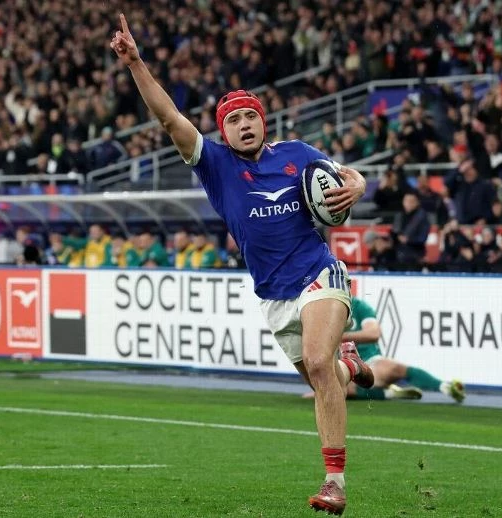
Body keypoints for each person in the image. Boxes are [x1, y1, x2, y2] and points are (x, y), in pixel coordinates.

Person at [112, 14, 372, 515]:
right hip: (274, 295)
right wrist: (136, 63)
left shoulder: (297, 154)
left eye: (251, 116)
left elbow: (347, 175)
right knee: (326, 378)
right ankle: (348, 363)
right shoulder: (214, 164)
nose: (244, 125)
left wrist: (358, 183)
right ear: (222, 130)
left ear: (263, 122)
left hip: (319, 274)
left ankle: (334, 483)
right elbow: (169, 118)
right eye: (233, 120)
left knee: (318, 365)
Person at [304, 297, 466, 403]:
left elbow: (374, 333)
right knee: (343, 386)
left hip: (369, 361)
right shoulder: (320, 311)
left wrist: (341, 336)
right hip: (338, 365)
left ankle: (445, 387)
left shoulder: (359, 307)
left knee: (394, 368)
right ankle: (388, 393)